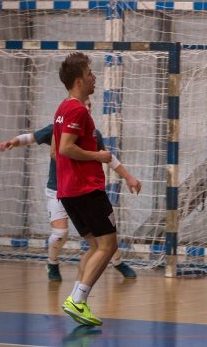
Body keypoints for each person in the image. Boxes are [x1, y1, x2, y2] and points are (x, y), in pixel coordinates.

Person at [0, 99, 140, 282]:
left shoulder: (94, 134)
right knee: (61, 234)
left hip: (81, 192)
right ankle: (53, 263)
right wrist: (13, 141)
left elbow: (108, 157)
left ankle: (116, 262)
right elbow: (31, 137)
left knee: (102, 235)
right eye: (84, 104)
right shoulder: (56, 130)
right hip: (57, 191)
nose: (87, 107)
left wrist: (128, 176)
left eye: (90, 105)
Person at [52, 52, 135, 326]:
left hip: (68, 190)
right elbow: (65, 148)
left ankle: (78, 300)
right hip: (86, 189)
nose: (94, 77)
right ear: (79, 81)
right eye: (90, 73)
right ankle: (78, 300)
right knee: (109, 245)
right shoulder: (77, 110)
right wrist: (97, 156)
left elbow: (56, 151)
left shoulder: (62, 108)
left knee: (94, 247)